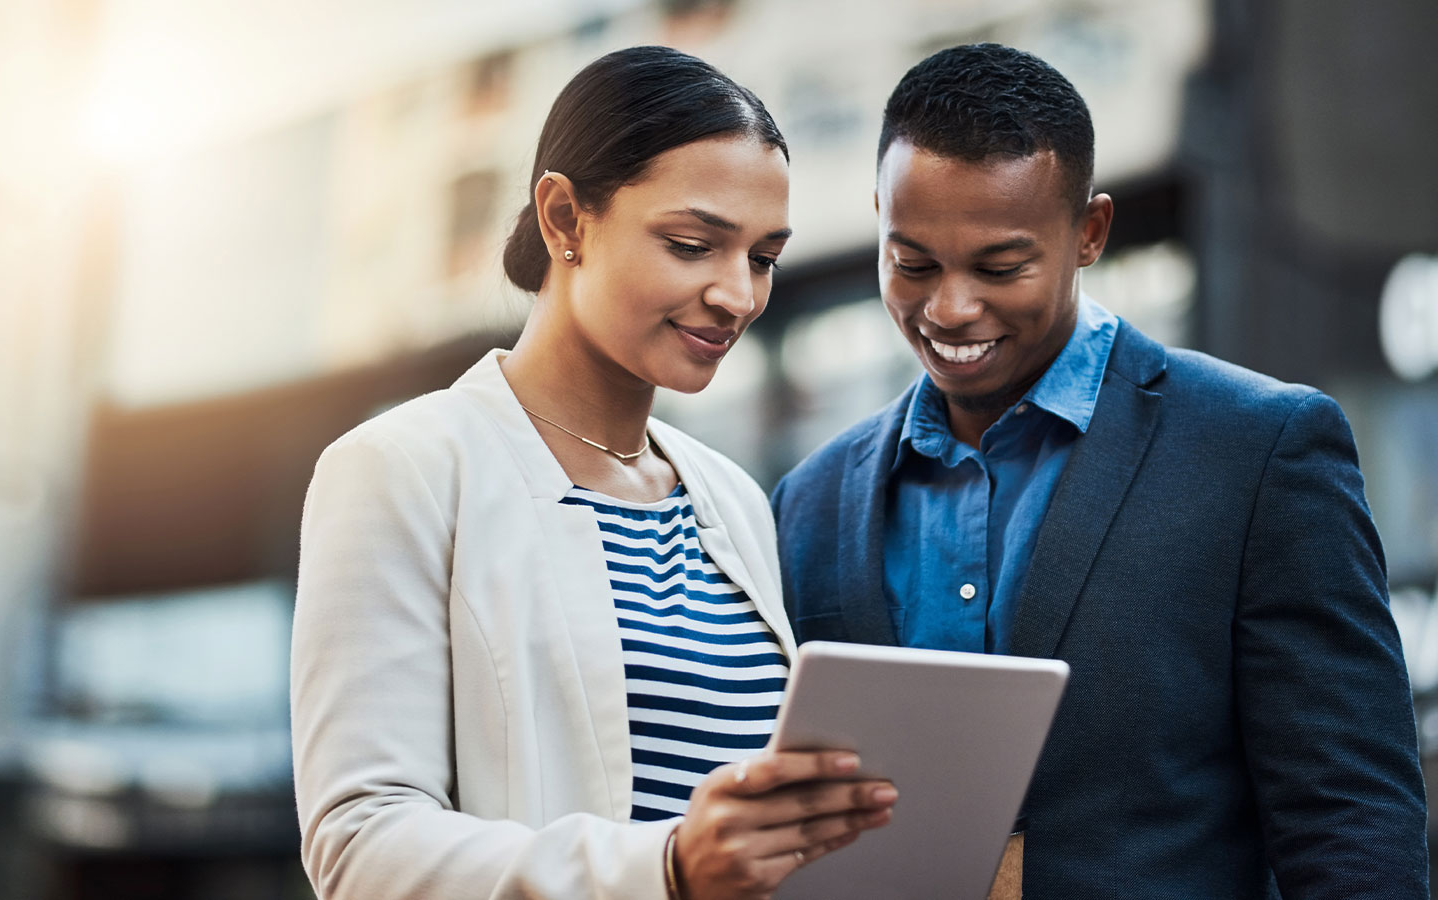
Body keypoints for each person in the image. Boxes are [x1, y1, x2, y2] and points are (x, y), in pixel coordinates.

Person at [772, 42, 1429, 899]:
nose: (950, 307)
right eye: (914, 263)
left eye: (1001, 267)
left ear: (1090, 233)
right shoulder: (809, 501)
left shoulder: (1259, 448)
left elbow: (1349, 814)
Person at [291, 46, 898, 900]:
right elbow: (362, 844)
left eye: (762, 258)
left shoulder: (732, 501)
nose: (737, 295)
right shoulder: (403, 470)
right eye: (694, 244)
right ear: (565, 219)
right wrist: (667, 869)